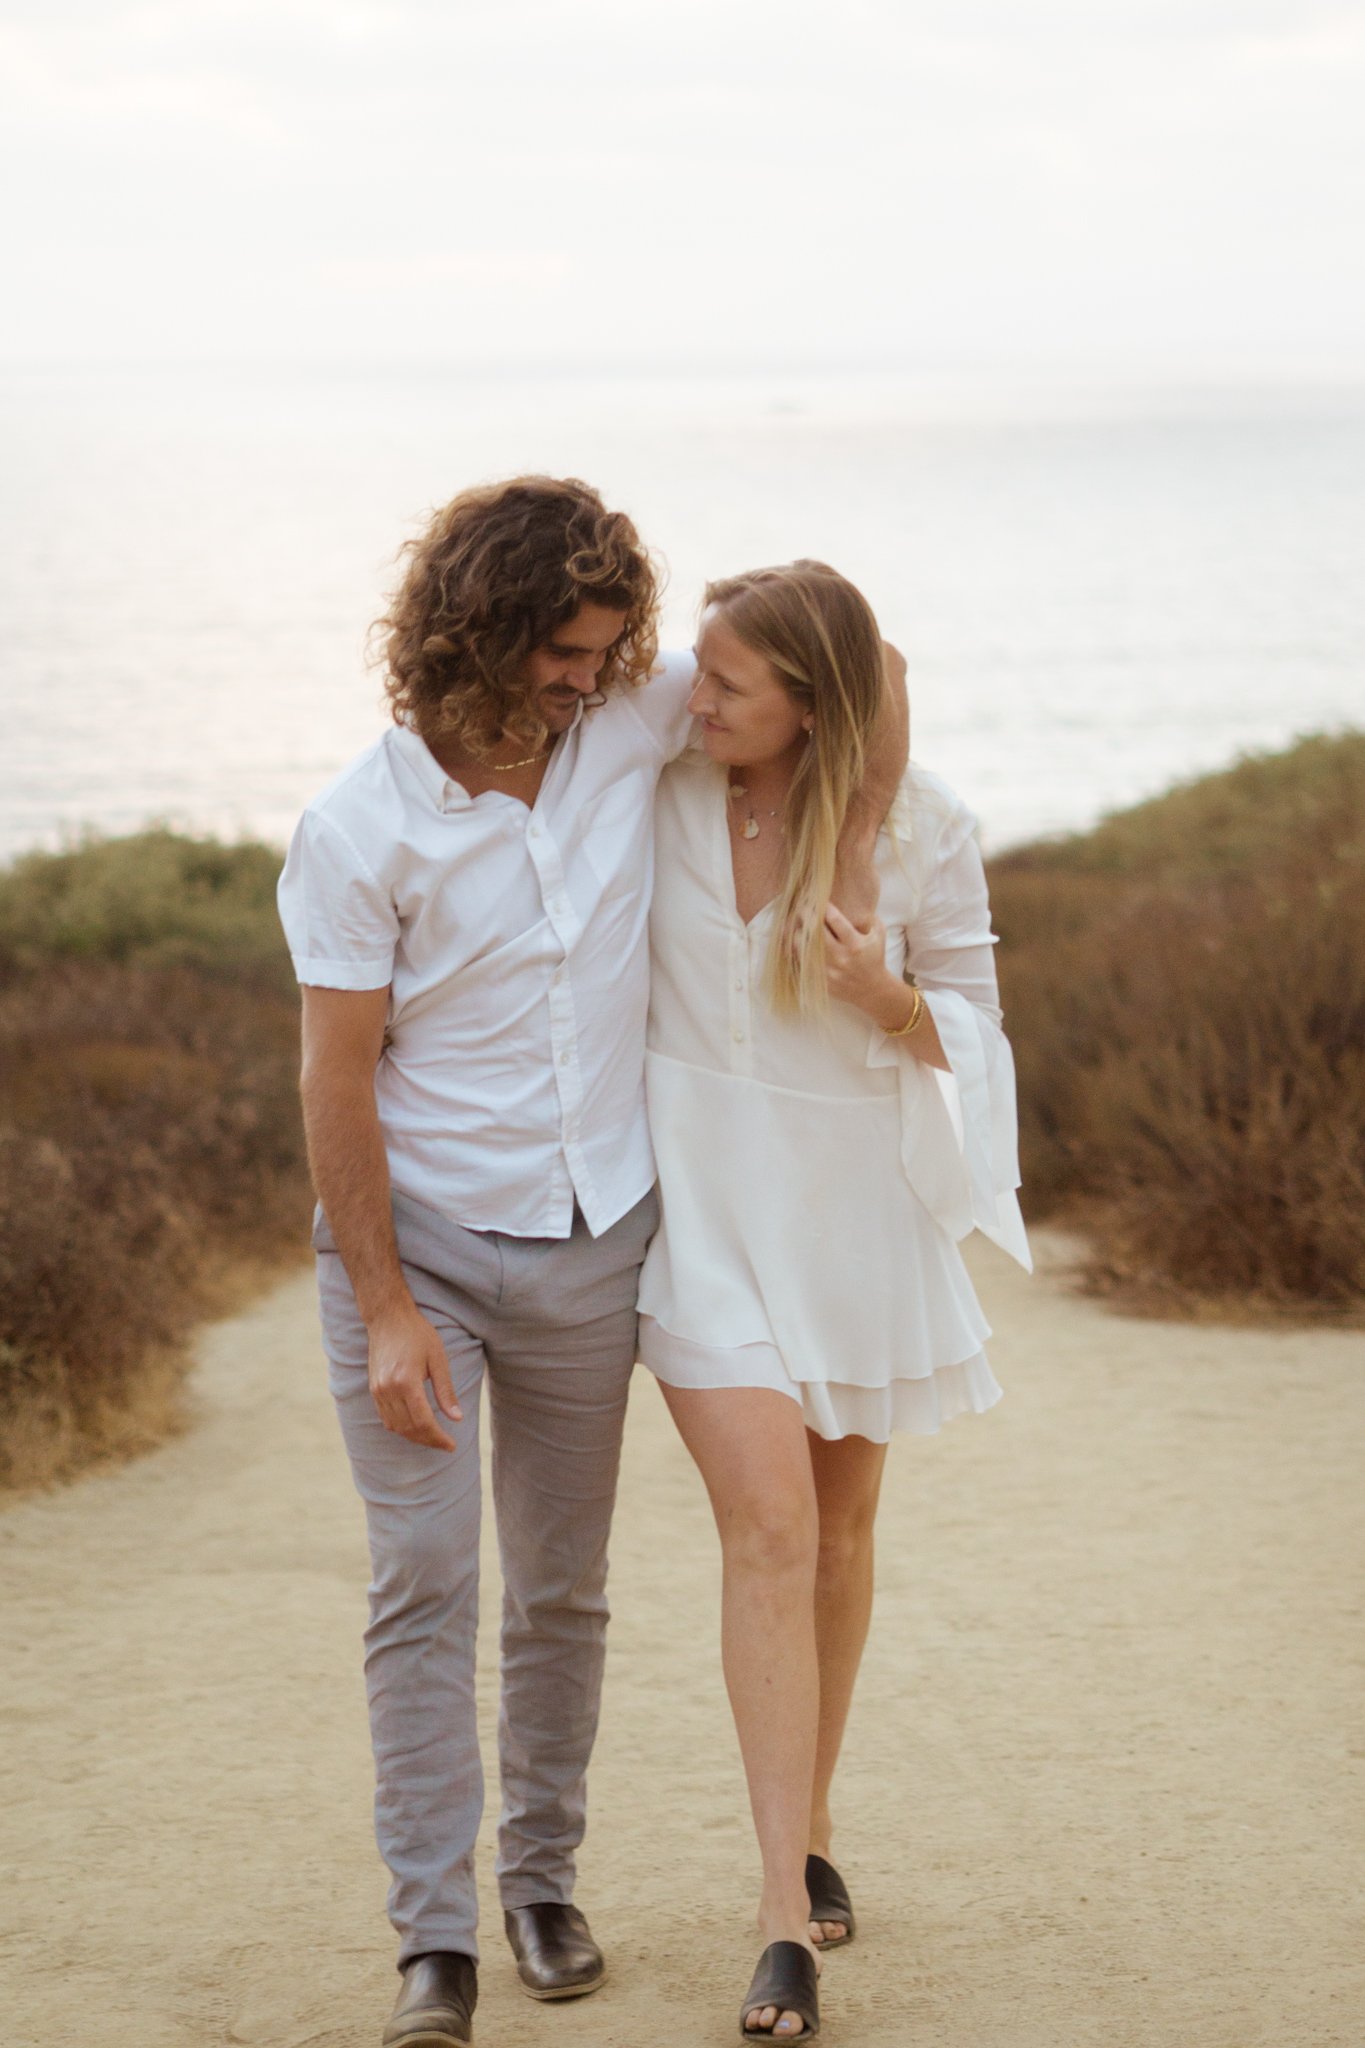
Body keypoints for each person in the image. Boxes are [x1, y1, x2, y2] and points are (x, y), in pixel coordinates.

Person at [276, 480, 905, 2048]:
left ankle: (541, 1886)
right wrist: (388, 1310)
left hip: (594, 1233)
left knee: (563, 1590)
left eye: (610, 648)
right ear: (476, 634)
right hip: (419, 1240)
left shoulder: (630, 724)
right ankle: (433, 1936)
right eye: (564, 649)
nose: (593, 676)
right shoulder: (357, 831)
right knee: (423, 1582)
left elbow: (870, 671)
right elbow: (333, 1083)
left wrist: (861, 860)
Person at [636, 560, 1031, 2044]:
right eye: (701, 666)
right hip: (700, 1210)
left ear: (808, 704)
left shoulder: (928, 831)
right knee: (770, 1528)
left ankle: (807, 1821)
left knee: (842, 1533)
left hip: (852, 1210)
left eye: (731, 678)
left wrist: (886, 995)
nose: (699, 690)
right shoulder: (659, 787)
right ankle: (777, 1916)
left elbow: (975, 1031)